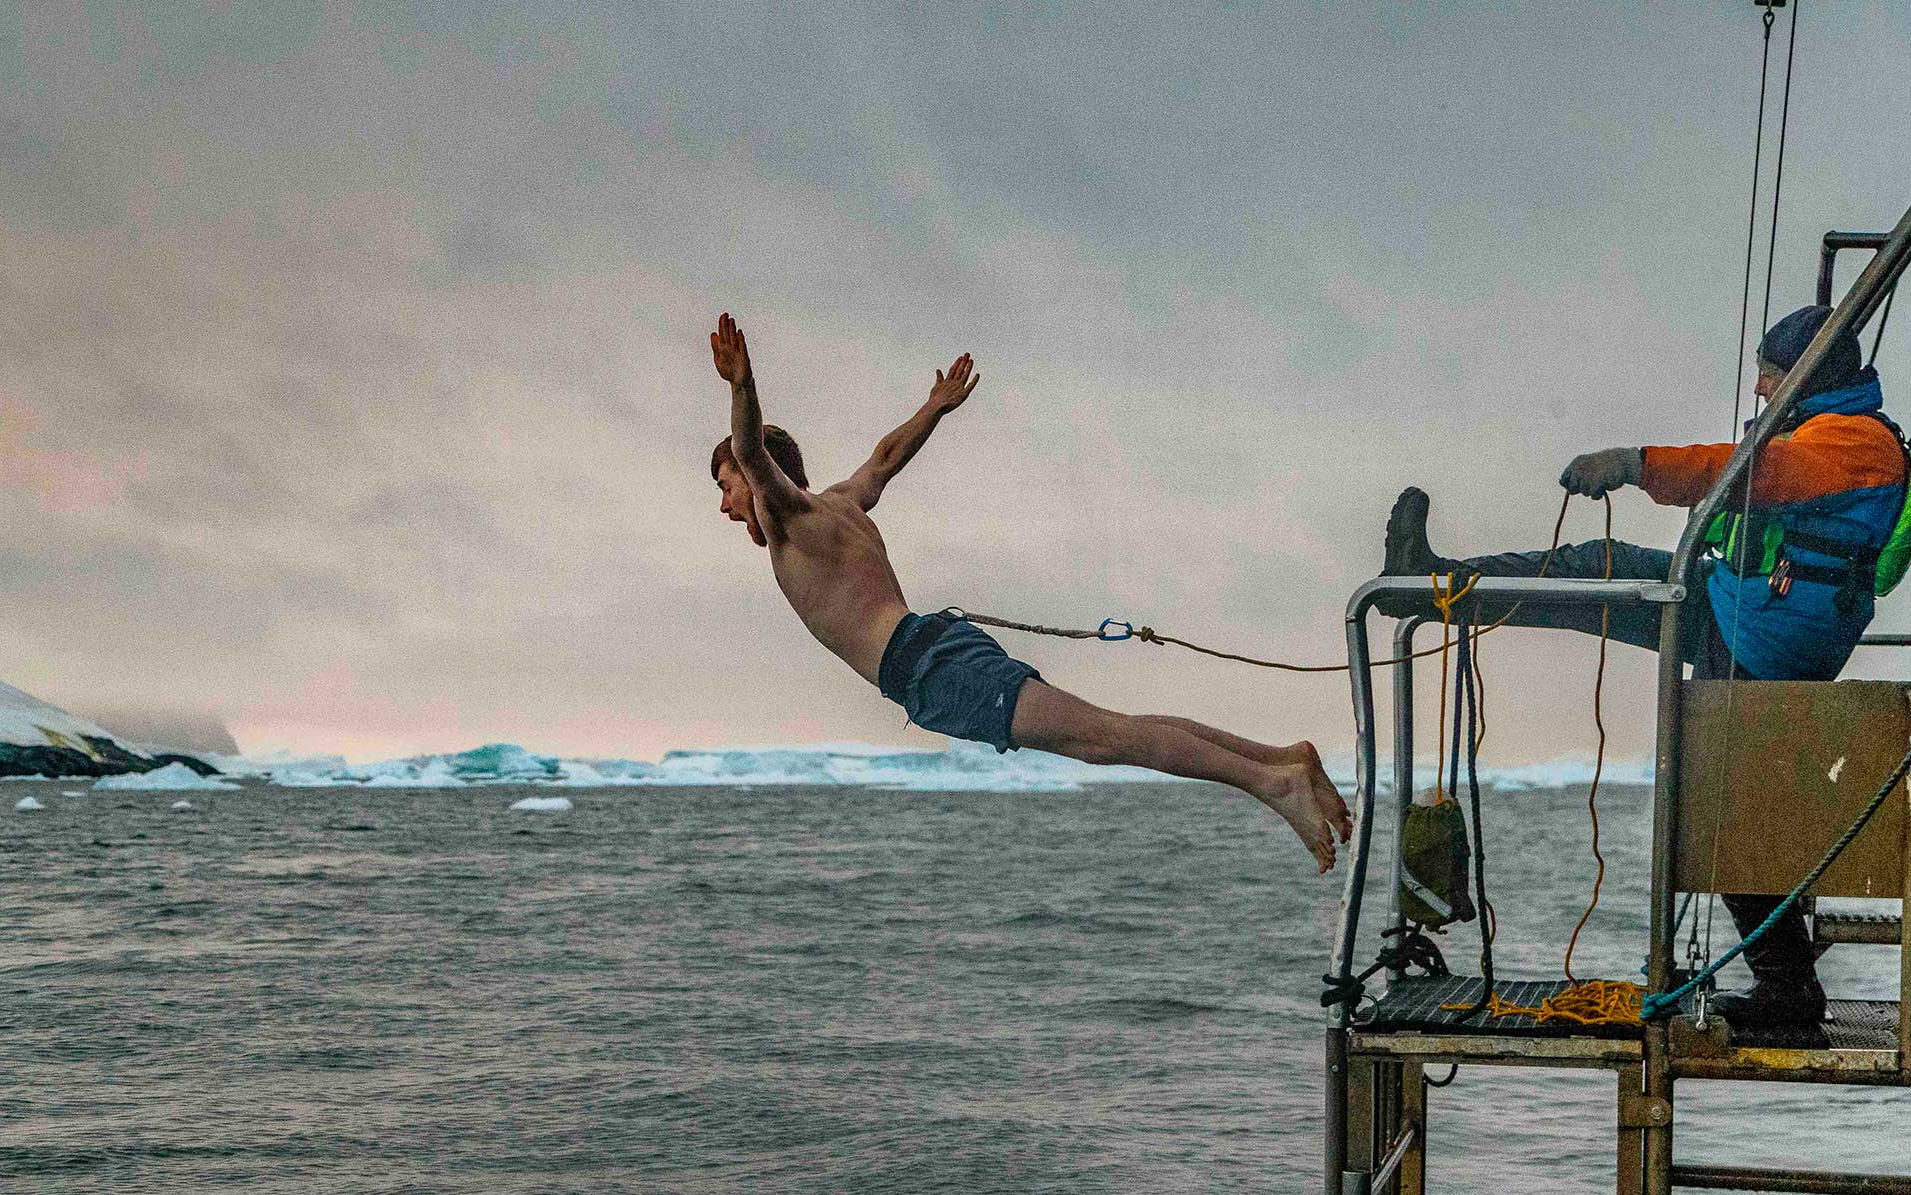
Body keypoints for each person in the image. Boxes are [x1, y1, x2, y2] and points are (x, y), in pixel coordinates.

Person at [1381, 304, 1907, 1025]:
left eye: (1771, 373)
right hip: (1742, 608)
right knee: (1602, 569)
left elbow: (1756, 473)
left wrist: (1635, 465)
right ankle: (1434, 582)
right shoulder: (1830, 430)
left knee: (1720, 809)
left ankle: (1788, 989)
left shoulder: (1855, 444)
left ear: (1808, 376)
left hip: (1765, 637)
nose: (1759, 386)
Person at [707, 312, 1351, 872]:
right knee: (1114, 729)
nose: (726, 505)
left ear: (759, 475)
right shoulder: (840, 504)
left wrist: (744, 385)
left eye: (726, 486)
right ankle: (1284, 759)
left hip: (929, 670)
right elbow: (884, 457)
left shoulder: (792, 519)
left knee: (1107, 739)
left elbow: (754, 452)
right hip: (937, 643)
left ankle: (1272, 786)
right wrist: (933, 407)